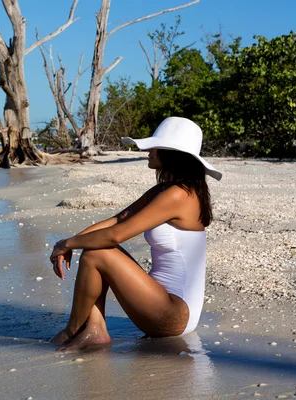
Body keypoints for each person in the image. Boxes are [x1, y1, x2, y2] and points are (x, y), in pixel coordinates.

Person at [49, 117, 222, 351]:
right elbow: (118, 219)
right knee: (94, 249)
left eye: (155, 146)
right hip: (160, 303)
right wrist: (70, 244)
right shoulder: (167, 190)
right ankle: (94, 328)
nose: (149, 151)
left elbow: (115, 235)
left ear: (172, 153)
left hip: (175, 314)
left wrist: (66, 243)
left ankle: (73, 329)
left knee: (97, 253)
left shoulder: (179, 195)